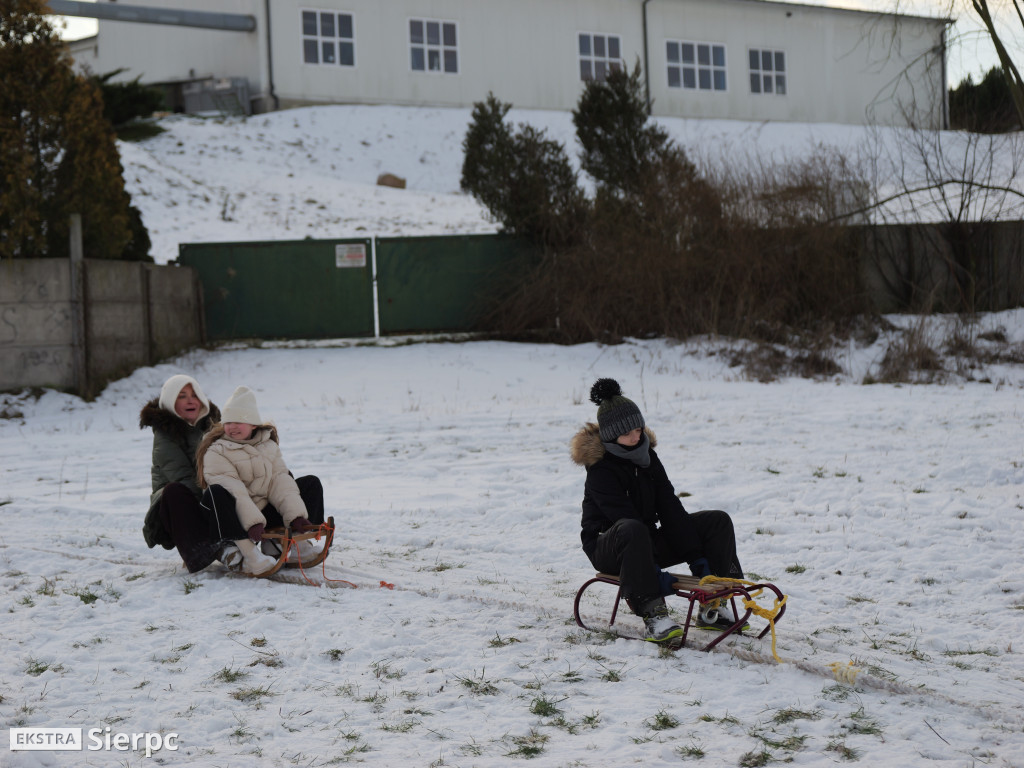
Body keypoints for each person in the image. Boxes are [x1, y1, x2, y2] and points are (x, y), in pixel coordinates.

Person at [570, 378, 745, 644]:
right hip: (610, 546)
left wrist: (697, 558)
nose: (636, 436)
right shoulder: (601, 470)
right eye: (627, 432)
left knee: (717, 521)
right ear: (611, 435)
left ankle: (714, 605)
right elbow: (623, 517)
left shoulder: (647, 457)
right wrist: (652, 574)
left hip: (645, 541)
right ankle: (653, 612)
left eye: (638, 428)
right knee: (631, 527)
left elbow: (670, 507)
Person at [195, 385, 325, 577]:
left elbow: (279, 482)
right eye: (228, 422)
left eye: (239, 421)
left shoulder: (268, 446)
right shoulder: (216, 451)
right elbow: (234, 489)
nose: (232, 427)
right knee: (217, 493)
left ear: (254, 424)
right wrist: (252, 522)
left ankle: (299, 543)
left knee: (309, 483)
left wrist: (296, 515)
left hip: (264, 513)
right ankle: (249, 554)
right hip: (235, 518)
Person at [140, 374, 225, 572]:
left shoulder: (215, 427)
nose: (190, 400)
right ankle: (197, 551)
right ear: (170, 402)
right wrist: (212, 502)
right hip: (177, 507)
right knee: (174, 491)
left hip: (209, 496)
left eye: (194, 395)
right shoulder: (165, 436)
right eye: (181, 396)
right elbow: (183, 477)